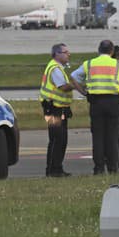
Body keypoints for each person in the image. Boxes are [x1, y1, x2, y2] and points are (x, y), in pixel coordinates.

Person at [72, 39, 119, 175]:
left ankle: (98, 168)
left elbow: (73, 77)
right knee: (113, 137)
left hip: (96, 103)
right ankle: (113, 167)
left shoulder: (90, 63)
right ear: (112, 51)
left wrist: (83, 91)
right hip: (113, 102)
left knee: (97, 137)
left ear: (98, 50)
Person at [39, 43, 75, 177]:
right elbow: (63, 87)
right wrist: (76, 85)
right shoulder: (55, 68)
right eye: (66, 52)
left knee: (59, 139)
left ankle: (56, 168)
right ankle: (53, 169)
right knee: (57, 139)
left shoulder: (57, 67)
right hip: (53, 109)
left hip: (57, 108)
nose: (68, 54)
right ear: (57, 54)